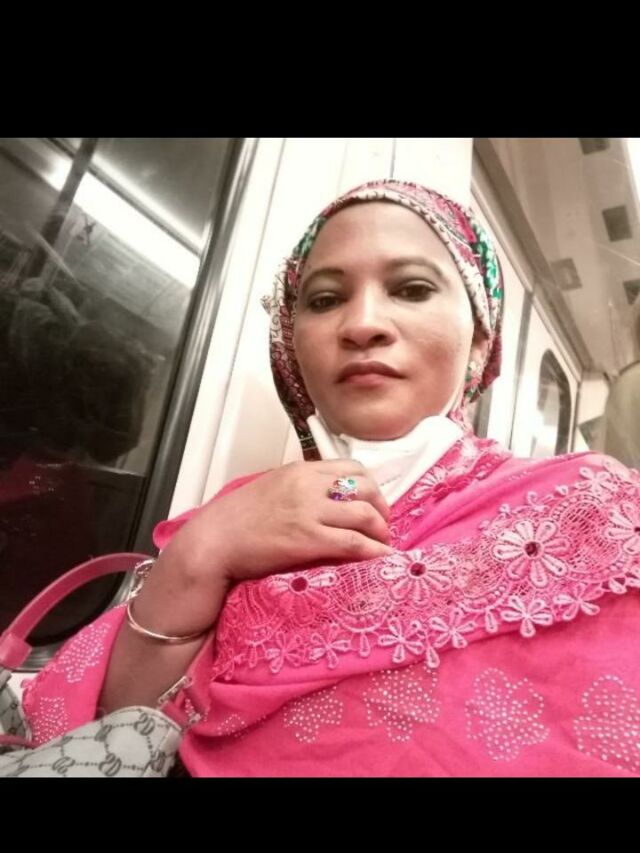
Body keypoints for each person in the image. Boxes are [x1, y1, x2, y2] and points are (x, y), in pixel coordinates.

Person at [20, 180, 640, 777]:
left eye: (412, 289)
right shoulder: (241, 510)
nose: (362, 323)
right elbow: (109, 731)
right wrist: (200, 553)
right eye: (324, 300)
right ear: (294, 346)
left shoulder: (589, 510)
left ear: (479, 338)